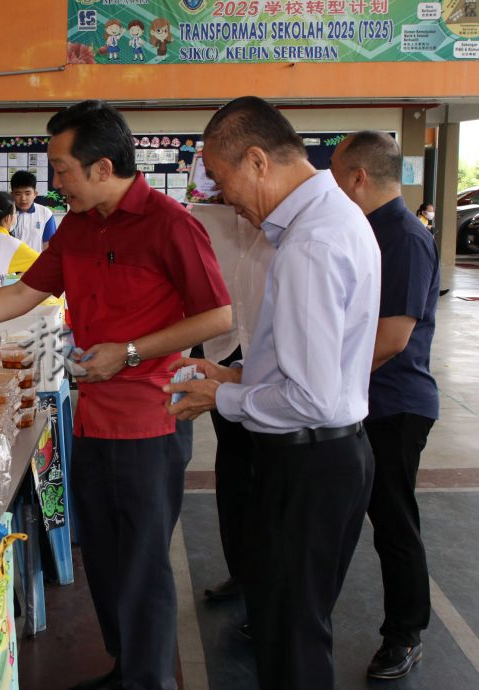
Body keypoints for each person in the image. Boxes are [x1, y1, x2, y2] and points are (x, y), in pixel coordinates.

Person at [0, 100, 231, 690]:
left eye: (61, 168)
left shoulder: (171, 224)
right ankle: (125, 666)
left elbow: (217, 316)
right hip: (91, 416)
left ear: (102, 167)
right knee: (102, 557)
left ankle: (149, 680)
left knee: (144, 565)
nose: (54, 182)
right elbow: (25, 293)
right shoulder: (77, 225)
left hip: (150, 419)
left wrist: (128, 351)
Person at [166, 96, 381, 690]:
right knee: (295, 625)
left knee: (290, 641)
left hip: (308, 461)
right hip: (330, 452)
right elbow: (318, 370)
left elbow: (310, 398)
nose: (223, 195)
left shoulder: (310, 243)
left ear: (258, 160)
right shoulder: (333, 219)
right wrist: (235, 377)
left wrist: (222, 400)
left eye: (223, 177)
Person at [330, 131, 440, 680]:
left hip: (394, 405)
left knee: (393, 520)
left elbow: (393, 336)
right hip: (359, 400)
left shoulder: (403, 237)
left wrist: (327, 380)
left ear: (358, 177)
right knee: (340, 512)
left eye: (335, 174)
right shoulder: (364, 232)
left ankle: (405, 632)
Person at [188, 204, 274, 606]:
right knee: (235, 464)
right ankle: (241, 572)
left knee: (272, 470)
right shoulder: (200, 217)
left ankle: (267, 581)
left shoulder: (282, 217)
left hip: (273, 353)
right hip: (223, 350)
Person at [9, 170, 57, 252]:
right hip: (12, 263)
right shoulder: (6, 214)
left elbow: (49, 246)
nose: (23, 198)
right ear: (12, 195)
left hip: (37, 263)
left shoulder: (45, 214)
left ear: (35, 194)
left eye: (27, 193)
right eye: (18, 194)